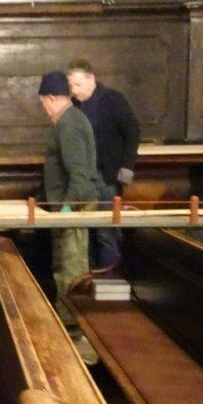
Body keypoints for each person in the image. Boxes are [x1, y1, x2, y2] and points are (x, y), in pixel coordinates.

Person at [67, 59, 140, 271]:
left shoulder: (112, 99)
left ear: (91, 79)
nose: (73, 90)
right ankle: (89, 276)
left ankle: (109, 275)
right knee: (85, 230)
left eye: (77, 85)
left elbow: (132, 132)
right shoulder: (74, 105)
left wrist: (127, 169)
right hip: (82, 178)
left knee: (106, 230)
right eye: (71, 86)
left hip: (106, 176)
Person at [39, 71, 100, 325]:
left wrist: (67, 207)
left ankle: (72, 324)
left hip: (74, 206)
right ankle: (67, 319)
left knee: (71, 267)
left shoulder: (69, 123)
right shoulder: (71, 119)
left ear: (52, 98)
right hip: (68, 203)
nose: (44, 109)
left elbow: (78, 172)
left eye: (43, 103)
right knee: (64, 264)